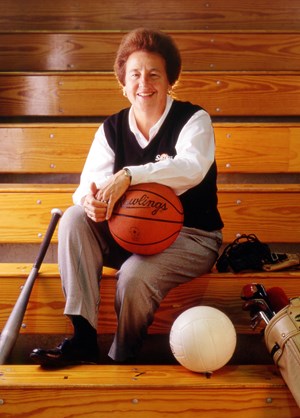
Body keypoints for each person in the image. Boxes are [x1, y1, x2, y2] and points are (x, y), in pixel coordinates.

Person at [30, 28, 223, 367]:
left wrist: (131, 174)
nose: (144, 83)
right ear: (123, 82)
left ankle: (124, 355)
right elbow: (86, 186)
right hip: (130, 234)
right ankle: (84, 338)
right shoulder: (111, 128)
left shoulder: (194, 119)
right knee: (76, 216)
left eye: (154, 74)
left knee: (134, 276)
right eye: (135, 74)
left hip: (191, 237)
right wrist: (90, 201)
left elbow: (191, 168)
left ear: (169, 80)